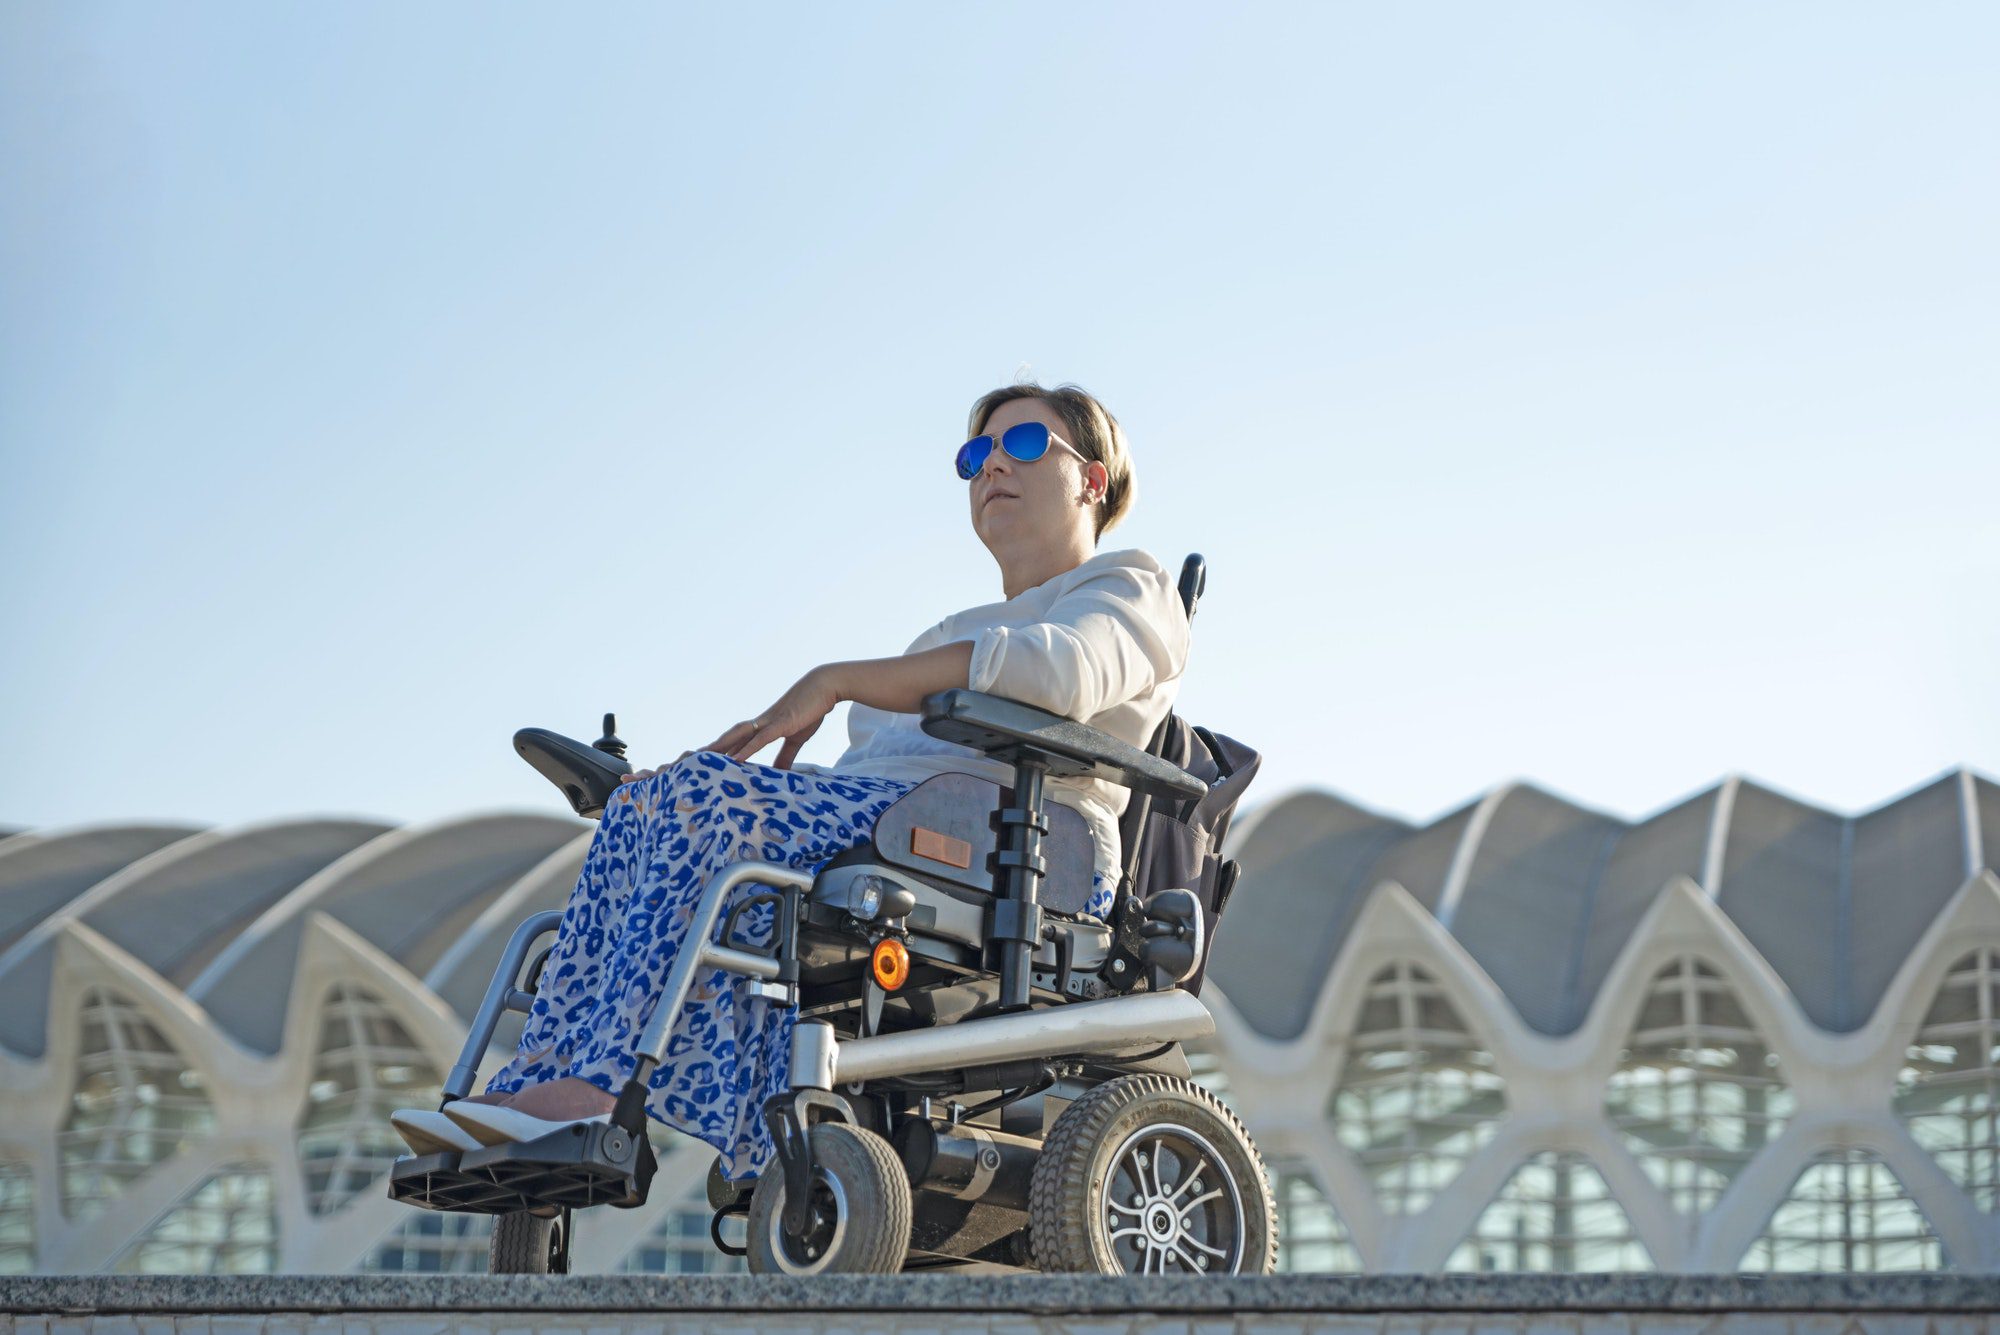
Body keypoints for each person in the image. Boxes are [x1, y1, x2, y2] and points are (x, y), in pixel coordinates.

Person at [391, 382, 1191, 1181]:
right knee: (648, 804)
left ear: (1092, 479)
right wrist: (672, 801)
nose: (989, 469)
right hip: (908, 826)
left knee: (705, 798)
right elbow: (867, 773)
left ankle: (597, 1091)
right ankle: (537, 1085)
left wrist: (833, 679)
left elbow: (1056, 674)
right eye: (974, 456)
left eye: (1020, 446)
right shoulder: (951, 633)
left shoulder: (1132, 585)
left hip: (1019, 846)